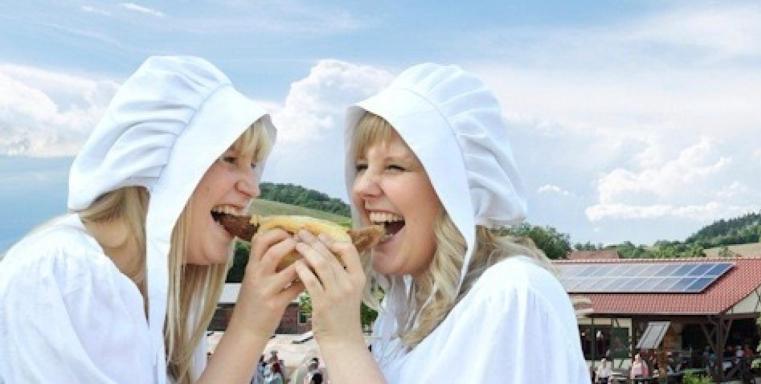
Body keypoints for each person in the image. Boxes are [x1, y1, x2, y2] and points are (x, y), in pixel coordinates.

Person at [0, 56, 303, 383]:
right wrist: (247, 327)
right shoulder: (68, 276)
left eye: (254, 166)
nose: (253, 188)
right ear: (160, 166)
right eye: (229, 159)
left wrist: (256, 321)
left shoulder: (171, 307)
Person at [290, 63, 590, 383]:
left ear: (454, 189)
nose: (362, 187)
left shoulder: (511, 296)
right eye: (361, 166)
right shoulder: (399, 316)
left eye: (394, 167)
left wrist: (342, 341)